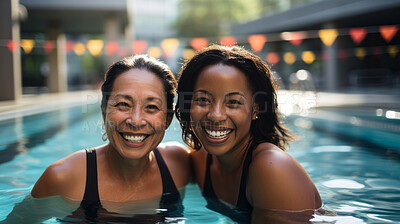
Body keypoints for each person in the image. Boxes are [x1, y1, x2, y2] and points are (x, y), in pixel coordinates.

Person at [30, 55, 191, 222]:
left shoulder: (179, 164)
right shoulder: (63, 177)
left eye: (151, 107)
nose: (135, 121)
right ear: (104, 111)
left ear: (168, 119)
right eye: (123, 104)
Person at [175, 44, 322, 223]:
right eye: (203, 100)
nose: (216, 115)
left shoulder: (274, 169)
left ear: (255, 109)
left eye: (233, 102)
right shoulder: (200, 161)